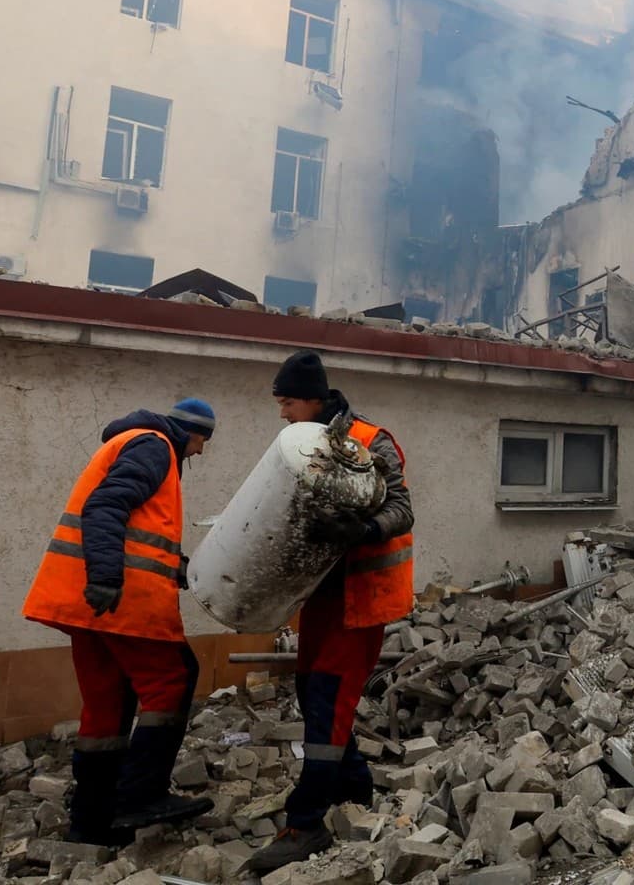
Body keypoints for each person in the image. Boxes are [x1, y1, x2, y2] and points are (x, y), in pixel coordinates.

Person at [21, 399, 221, 846]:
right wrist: (108, 575)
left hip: (86, 601)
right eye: (202, 443)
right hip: (118, 599)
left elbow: (136, 532)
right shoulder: (154, 446)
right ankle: (140, 796)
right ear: (190, 432)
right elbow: (106, 507)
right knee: (174, 677)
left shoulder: (133, 443)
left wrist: (177, 566)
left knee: (107, 703)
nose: (200, 454)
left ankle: (90, 825)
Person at [248, 350, 414, 873]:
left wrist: (364, 531)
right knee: (310, 691)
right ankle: (355, 789)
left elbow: (403, 509)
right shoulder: (300, 445)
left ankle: (307, 822)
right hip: (322, 594)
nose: (282, 413)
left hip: (361, 597)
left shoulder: (369, 439)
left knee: (328, 696)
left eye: (288, 401)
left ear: (315, 397)